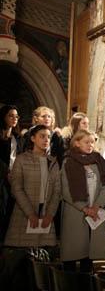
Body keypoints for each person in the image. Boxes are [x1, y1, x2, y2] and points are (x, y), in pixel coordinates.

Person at [61, 130, 105, 272]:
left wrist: (96, 206)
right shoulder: (68, 161)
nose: (90, 145)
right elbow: (66, 190)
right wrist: (84, 208)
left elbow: (104, 186)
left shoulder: (97, 160)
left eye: (92, 142)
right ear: (77, 142)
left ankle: (87, 282)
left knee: (89, 254)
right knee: (73, 252)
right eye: (86, 142)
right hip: (76, 212)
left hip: (95, 213)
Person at [3, 125, 61, 251]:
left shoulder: (53, 162)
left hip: (45, 215)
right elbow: (16, 188)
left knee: (42, 258)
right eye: (42, 136)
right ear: (33, 138)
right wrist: (30, 213)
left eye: (48, 137)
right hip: (24, 214)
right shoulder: (21, 159)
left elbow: (57, 191)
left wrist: (50, 214)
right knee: (22, 257)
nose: (46, 140)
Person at [0, 105, 20, 242]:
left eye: (16, 116)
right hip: (1, 178)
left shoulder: (17, 137)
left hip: (14, 178)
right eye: (11, 115)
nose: (14, 119)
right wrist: (5, 171)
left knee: (11, 211)